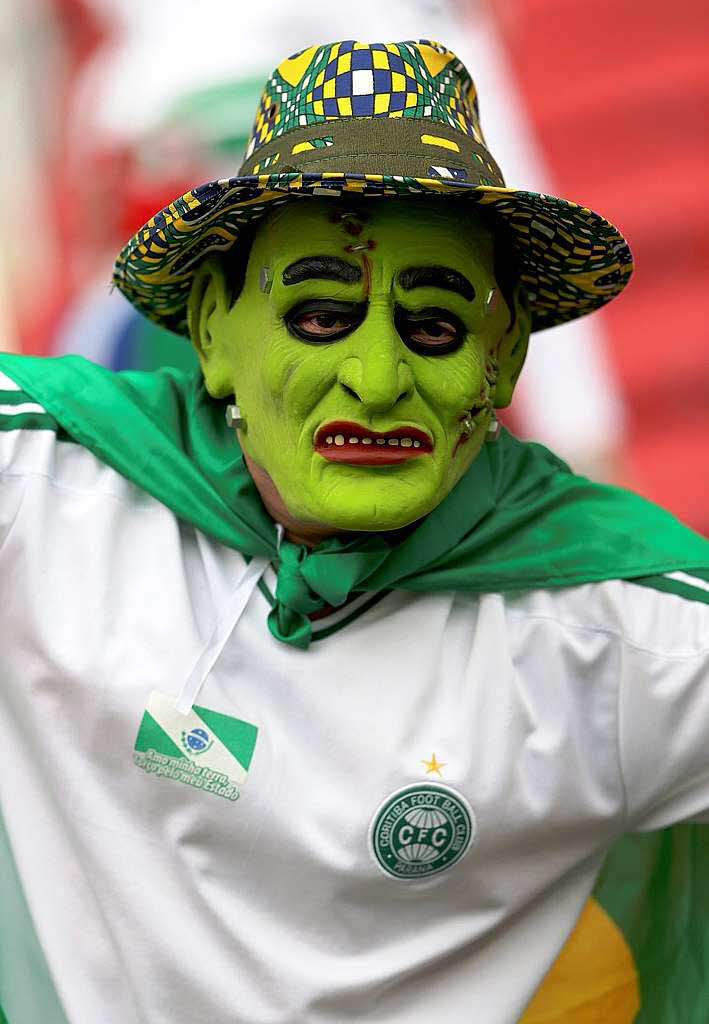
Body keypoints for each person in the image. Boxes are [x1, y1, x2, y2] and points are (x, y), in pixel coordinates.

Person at [1, 39, 708, 1024]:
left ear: (502, 361)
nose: (376, 384)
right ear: (211, 328)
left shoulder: (620, 630)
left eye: (434, 325)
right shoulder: (48, 492)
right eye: (322, 312)